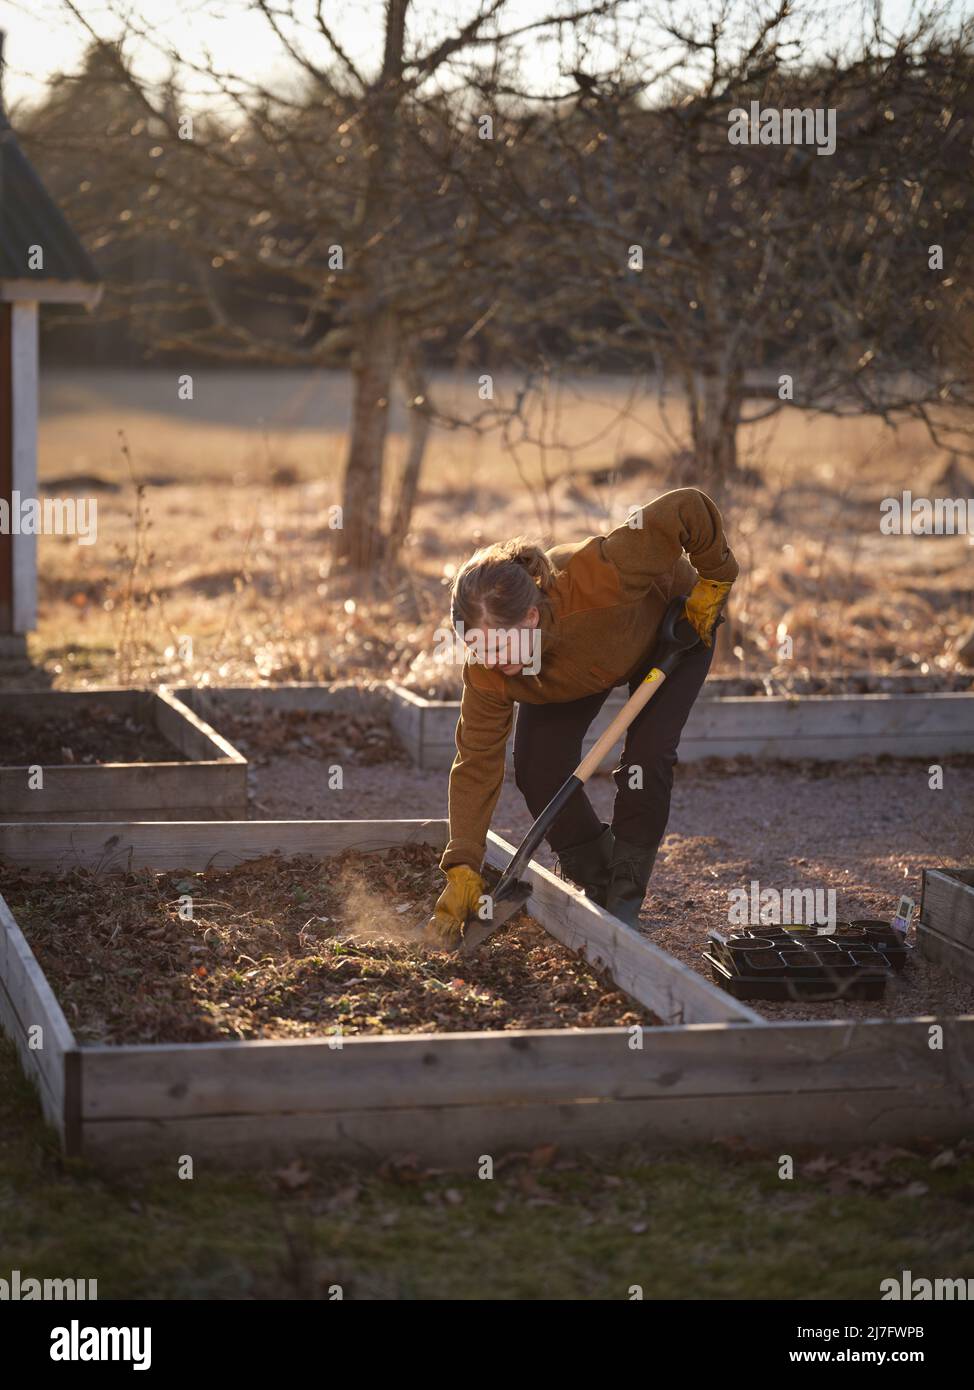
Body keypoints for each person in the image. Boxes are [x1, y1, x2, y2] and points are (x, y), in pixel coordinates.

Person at [426, 487, 738, 945]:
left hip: (677, 629)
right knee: (537, 767)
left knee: (645, 759)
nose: (488, 661)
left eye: (497, 646)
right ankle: (599, 878)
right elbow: (475, 763)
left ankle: (626, 896)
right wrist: (463, 864)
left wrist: (715, 578)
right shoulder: (491, 670)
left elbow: (686, 507)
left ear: (532, 617)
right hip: (580, 667)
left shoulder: (598, 577)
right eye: (476, 648)